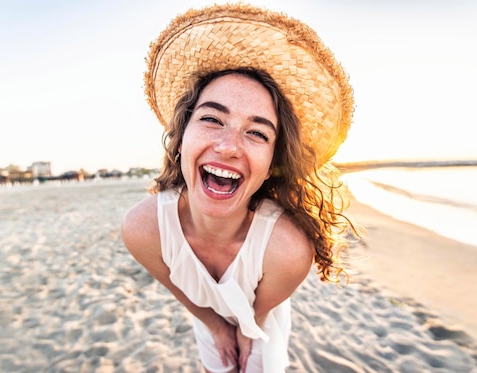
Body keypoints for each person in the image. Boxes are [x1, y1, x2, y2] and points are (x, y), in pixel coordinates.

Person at [122, 4, 359, 372]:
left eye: (257, 133)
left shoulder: (287, 251)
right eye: (212, 119)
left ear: (270, 167)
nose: (229, 146)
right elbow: (183, 292)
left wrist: (248, 329)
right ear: (181, 139)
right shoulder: (143, 229)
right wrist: (216, 327)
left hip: (263, 318)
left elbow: (256, 317)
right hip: (206, 314)